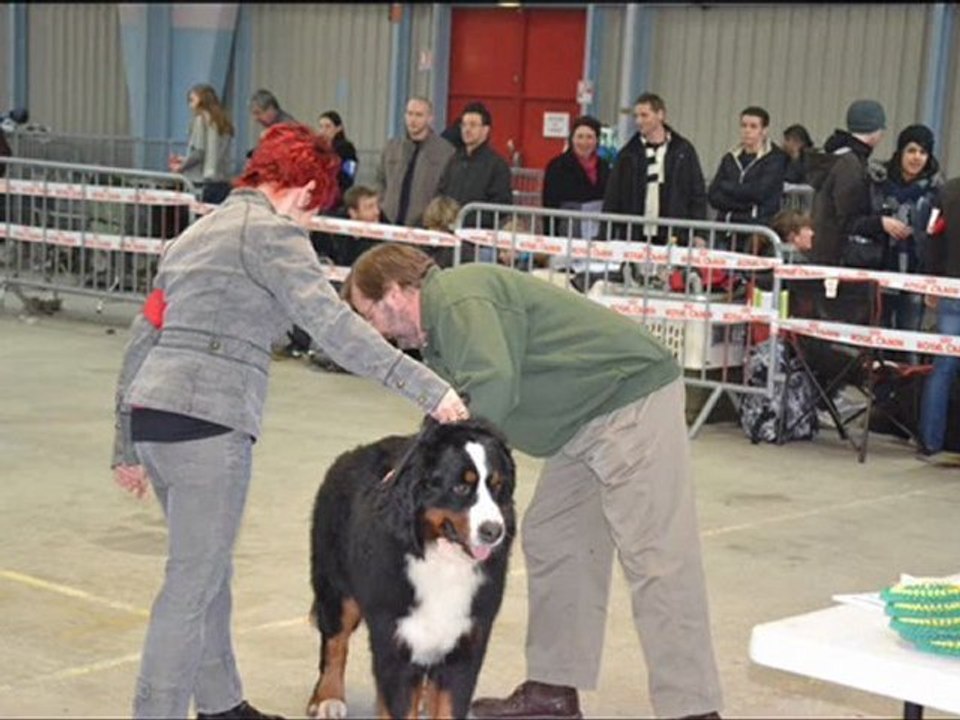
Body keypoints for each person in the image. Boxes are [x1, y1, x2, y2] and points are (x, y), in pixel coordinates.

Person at [110, 123, 469, 720]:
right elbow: (335, 328)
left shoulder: (198, 232)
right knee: (190, 589)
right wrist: (428, 388)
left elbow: (143, 335)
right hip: (208, 424)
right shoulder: (275, 236)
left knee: (207, 572)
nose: (310, 222)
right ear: (303, 189)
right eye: (315, 210)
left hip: (156, 420)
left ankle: (223, 705)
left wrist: (124, 442)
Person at [342, 244, 723, 720]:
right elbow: (457, 409)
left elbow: (492, 388)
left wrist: (424, 475)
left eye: (369, 313)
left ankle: (693, 709)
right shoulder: (441, 328)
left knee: (657, 556)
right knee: (555, 536)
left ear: (396, 292)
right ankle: (553, 690)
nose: (374, 330)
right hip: (582, 421)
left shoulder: (457, 299)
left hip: (628, 402)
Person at [602, 92, 707, 246]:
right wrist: (605, 235)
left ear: (660, 115)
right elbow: (613, 196)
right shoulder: (627, 154)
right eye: (636, 116)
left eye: (644, 115)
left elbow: (697, 192)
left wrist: (699, 233)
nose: (639, 121)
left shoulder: (684, 151)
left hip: (674, 235)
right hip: (636, 235)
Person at [877, 124, 944, 344]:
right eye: (911, 150)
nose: (917, 158)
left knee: (909, 340)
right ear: (900, 152)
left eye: (923, 152)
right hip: (881, 269)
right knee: (878, 337)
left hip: (917, 274)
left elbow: (938, 237)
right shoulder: (879, 182)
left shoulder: (937, 192)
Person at [918, 176, 960, 461]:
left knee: (943, 366)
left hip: (950, 286)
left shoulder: (946, 193)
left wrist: (931, 279)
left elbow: (931, 236)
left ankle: (930, 441)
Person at [436, 101, 513, 242]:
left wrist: (468, 221)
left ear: (485, 130)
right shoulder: (453, 160)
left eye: (473, 125)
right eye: (464, 125)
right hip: (448, 235)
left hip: (478, 240)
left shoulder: (497, 165)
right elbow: (441, 191)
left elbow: (502, 205)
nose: (467, 129)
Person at [376, 96, 455, 227]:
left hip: (424, 225)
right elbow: (380, 181)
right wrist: (383, 206)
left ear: (430, 118)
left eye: (419, 115)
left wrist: (432, 215)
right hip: (389, 222)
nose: (413, 120)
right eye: (409, 114)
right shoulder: (391, 147)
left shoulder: (446, 152)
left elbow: (446, 190)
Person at [707, 106, 787, 235]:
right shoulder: (730, 157)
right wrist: (746, 204)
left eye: (753, 126)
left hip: (756, 233)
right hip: (725, 230)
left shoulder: (775, 159)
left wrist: (727, 188)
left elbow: (760, 193)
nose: (747, 131)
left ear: (764, 130)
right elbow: (713, 195)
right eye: (743, 125)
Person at [168, 84, 234, 204]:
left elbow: (199, 152)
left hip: (202, 181)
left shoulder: (200, 119)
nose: (190, 105)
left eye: (192, 100)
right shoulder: (223, 122)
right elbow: (213, 153)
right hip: (222, 180)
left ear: (202, 101)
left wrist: (181, 167)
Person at [317, 110, 358, 197]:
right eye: (321, 127)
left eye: (328, 127)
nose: (323, 131)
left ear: (338, 128)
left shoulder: (347, 148)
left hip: (339, 193)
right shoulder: (318, 148)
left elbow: (349, 172)